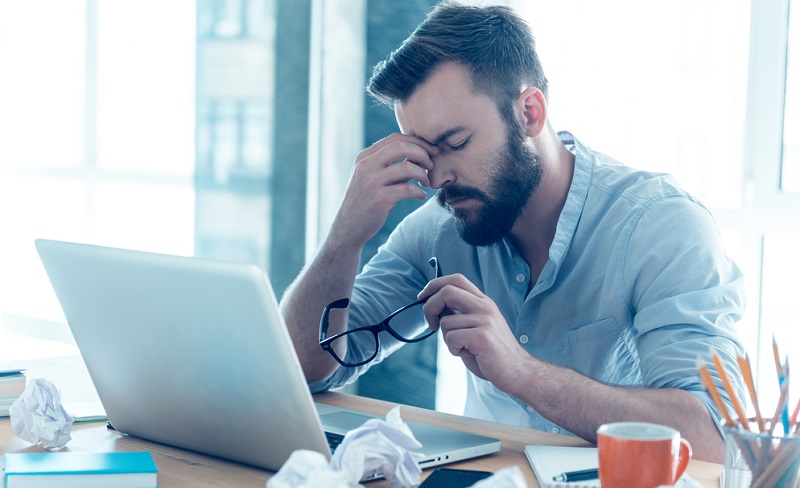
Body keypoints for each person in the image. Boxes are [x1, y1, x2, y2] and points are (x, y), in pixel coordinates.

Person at [280, 1, 746, 462]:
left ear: (529, 113)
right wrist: (345, 236)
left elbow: (712, 437)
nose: (437, 177)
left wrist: (524, 373)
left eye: (456, 143)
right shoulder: (437, 231)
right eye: (423, 153)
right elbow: (307, 369)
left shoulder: (661, 227)